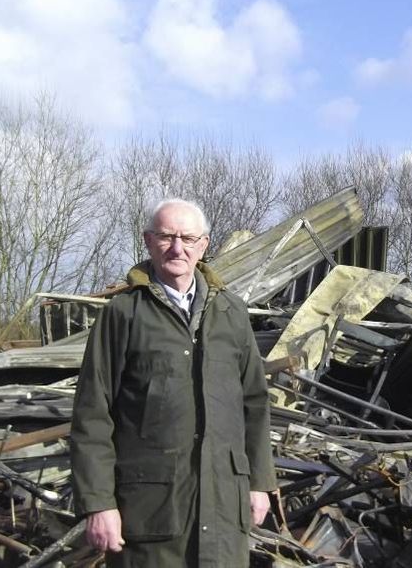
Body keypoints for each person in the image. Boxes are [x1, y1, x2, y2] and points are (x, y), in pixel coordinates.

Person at [70, 199, 276, 567]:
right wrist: (99, 503)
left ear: (204, 244)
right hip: (150, 512)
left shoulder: (231, 313)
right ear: (148, 241)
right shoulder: (123, 314)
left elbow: (255, 404)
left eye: (187, 238)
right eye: (166, 237)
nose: (177, 248)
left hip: (224, 504)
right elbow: (92, 414)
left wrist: (259, 482)